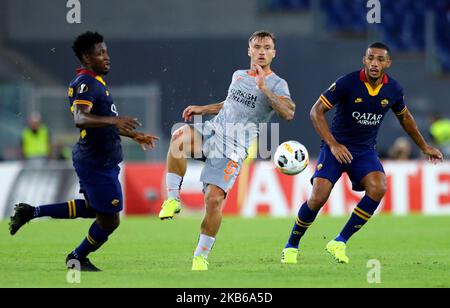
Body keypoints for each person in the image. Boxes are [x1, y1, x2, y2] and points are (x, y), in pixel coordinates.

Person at [281, 42, 443, 265]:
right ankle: (291, 245)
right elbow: (316, 111)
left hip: (364, 151)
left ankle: (339, 241)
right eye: (370, 58)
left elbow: (405, 118)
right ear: (364, 60)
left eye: (379, 59)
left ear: (388, 63)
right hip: (335, 147)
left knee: (379, 188)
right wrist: (333, 144)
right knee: (318, 197)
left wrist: (424, 147)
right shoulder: (347, 83)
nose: (374, 63)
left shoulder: (393, 89)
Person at [9, 31, 159, 271]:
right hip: (96, 162)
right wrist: (114, 121)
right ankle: (76, 258)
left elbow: (103, 122)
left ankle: (30, 212)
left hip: (98, 160)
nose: (107, 57)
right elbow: (81, 118)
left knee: (93, 209)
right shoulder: (86, 83)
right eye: (100, 53)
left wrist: (133, 134)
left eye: (106, 51)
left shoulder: (95, 81)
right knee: (110, 220)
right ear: (87, 58)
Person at [160, 30, 296, 271]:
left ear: (274, 53)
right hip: (213, 132)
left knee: (213, 200)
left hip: (233, 148)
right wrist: (203, 109)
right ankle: (173, 199)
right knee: (179, 136)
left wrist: (264, 89)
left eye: (266, 47)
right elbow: (229, 104)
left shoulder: (278, 83)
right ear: (249, 50)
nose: (261, 51)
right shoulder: (238, 75)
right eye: (257, 47)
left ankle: (200, 256)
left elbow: (288, 112)